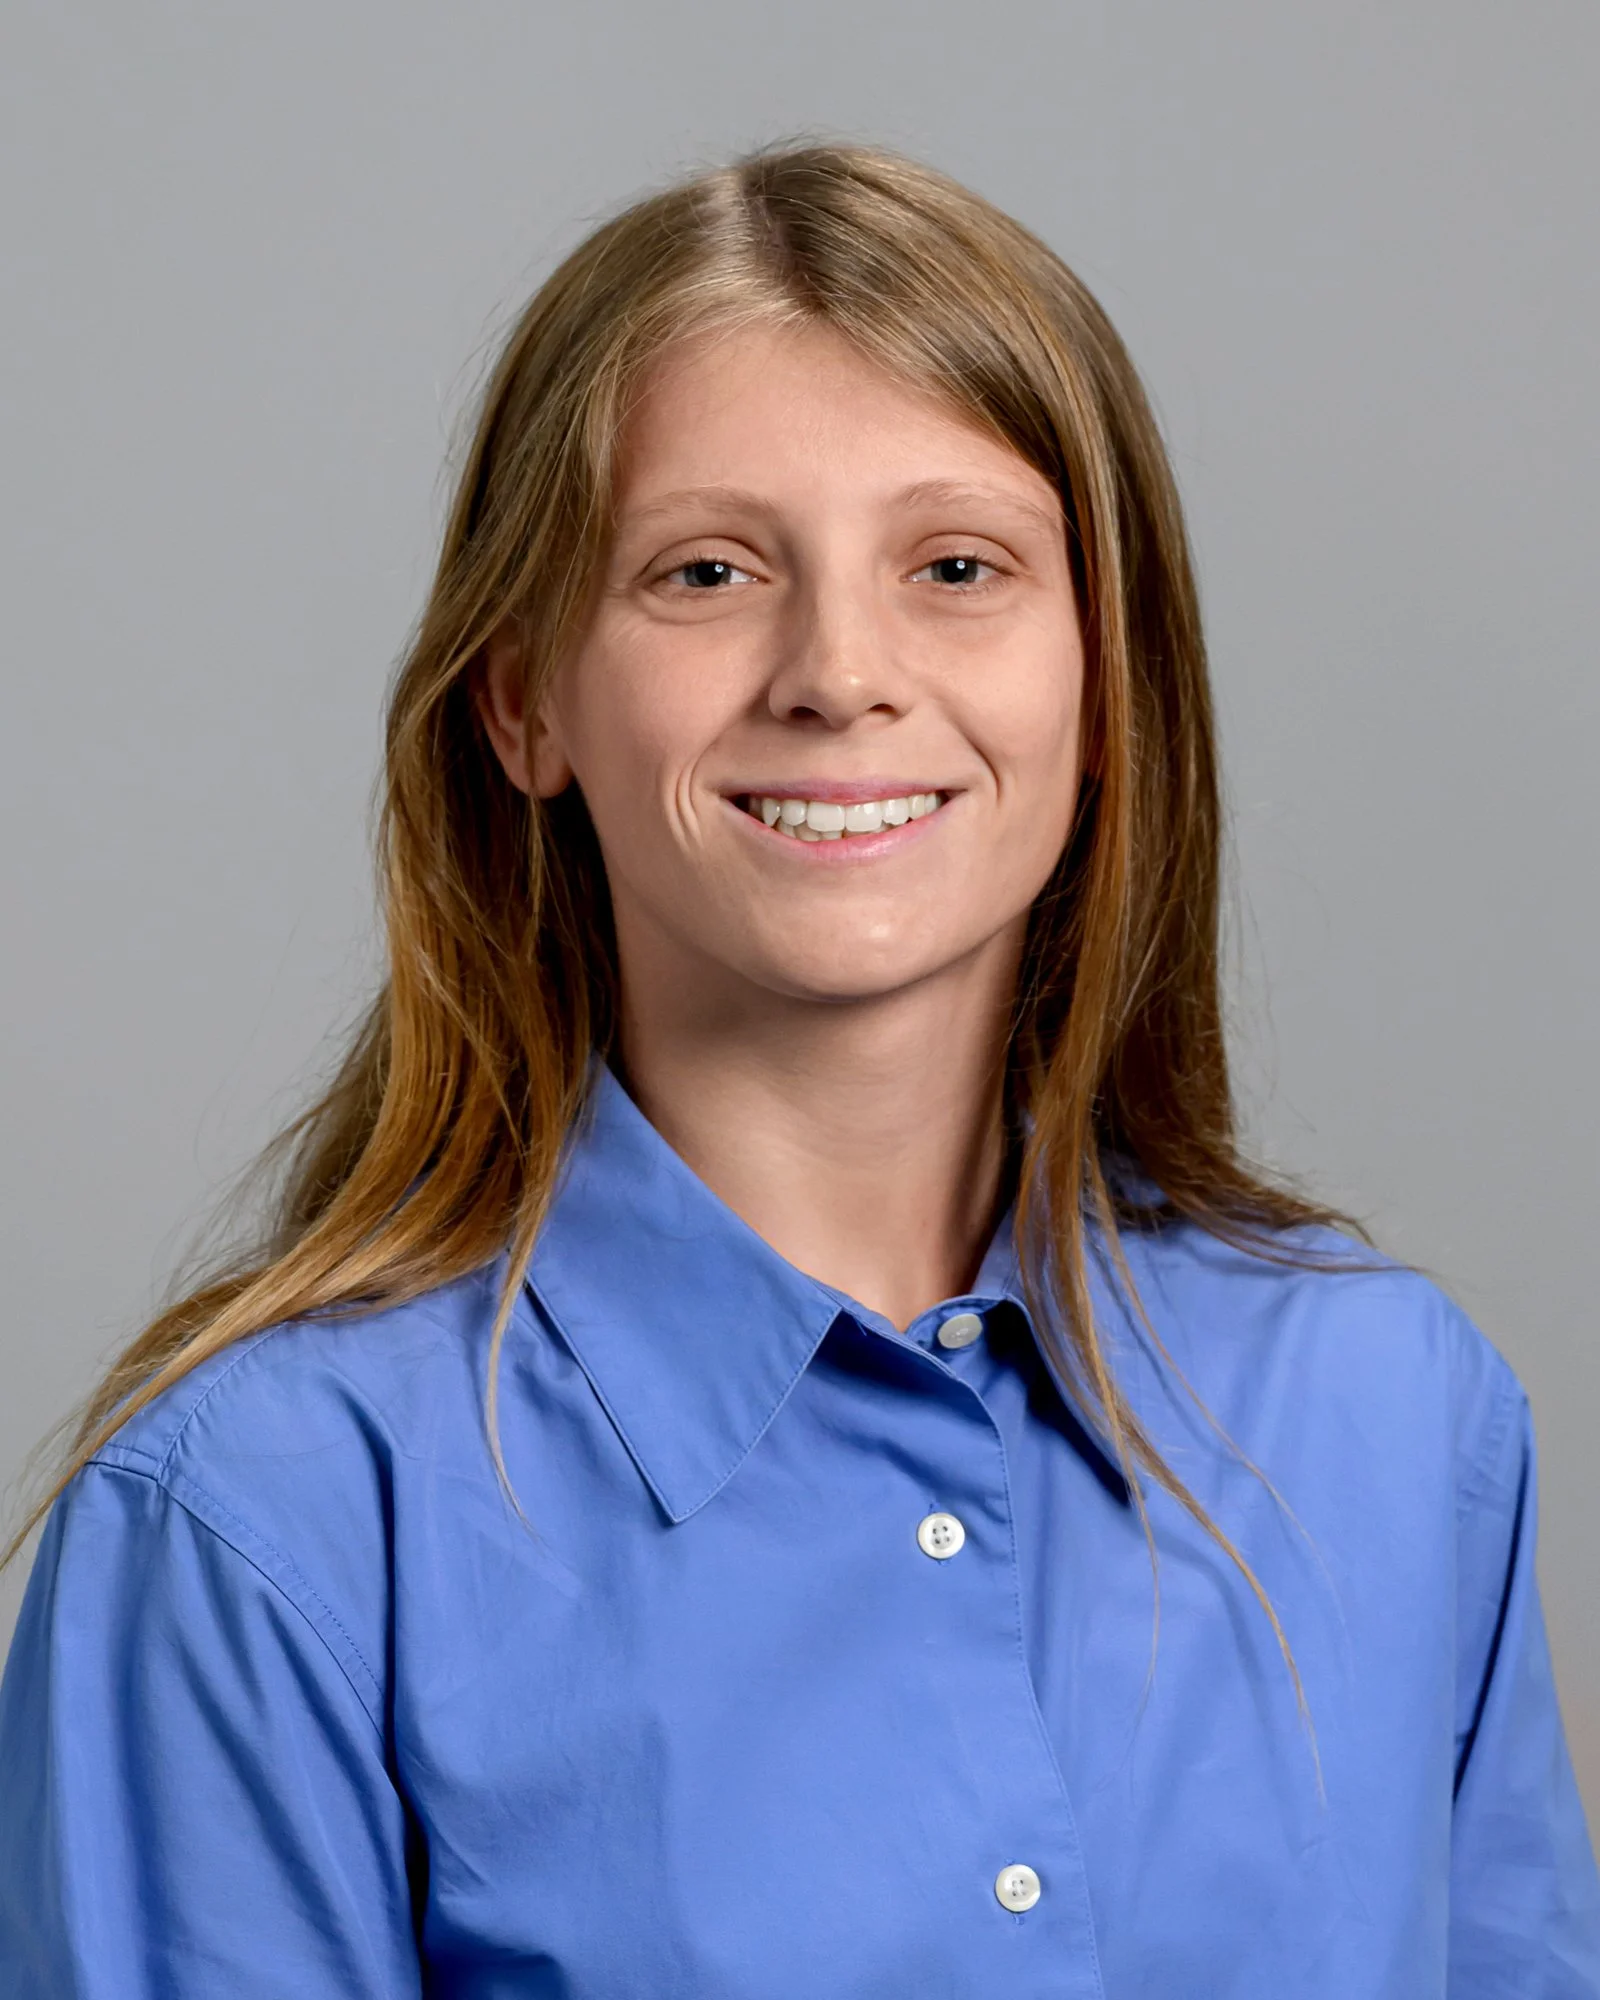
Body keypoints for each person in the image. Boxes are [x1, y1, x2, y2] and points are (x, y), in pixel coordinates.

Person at [0, 141, 1595, 1999]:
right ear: (523, 701)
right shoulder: (256, 1521)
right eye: (705, 569)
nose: (841, 671)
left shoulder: (1394, 1416)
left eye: (957, 565)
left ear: (1106, 686)